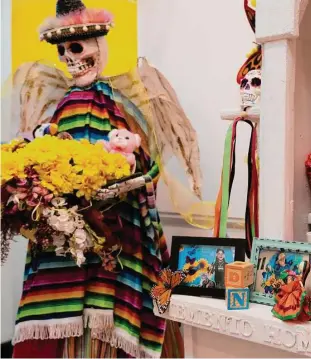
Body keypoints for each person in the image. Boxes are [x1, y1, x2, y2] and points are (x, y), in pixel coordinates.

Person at [9, 0, 202, 357]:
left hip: (112, 237)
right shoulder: (61, 108)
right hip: (60, 245)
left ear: (98, 46)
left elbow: (144, 164)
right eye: (62, 50)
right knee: (62, 328)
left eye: (77, 47)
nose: (69, 57)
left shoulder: (121, 105)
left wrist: (123, 174)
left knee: (103, 324)